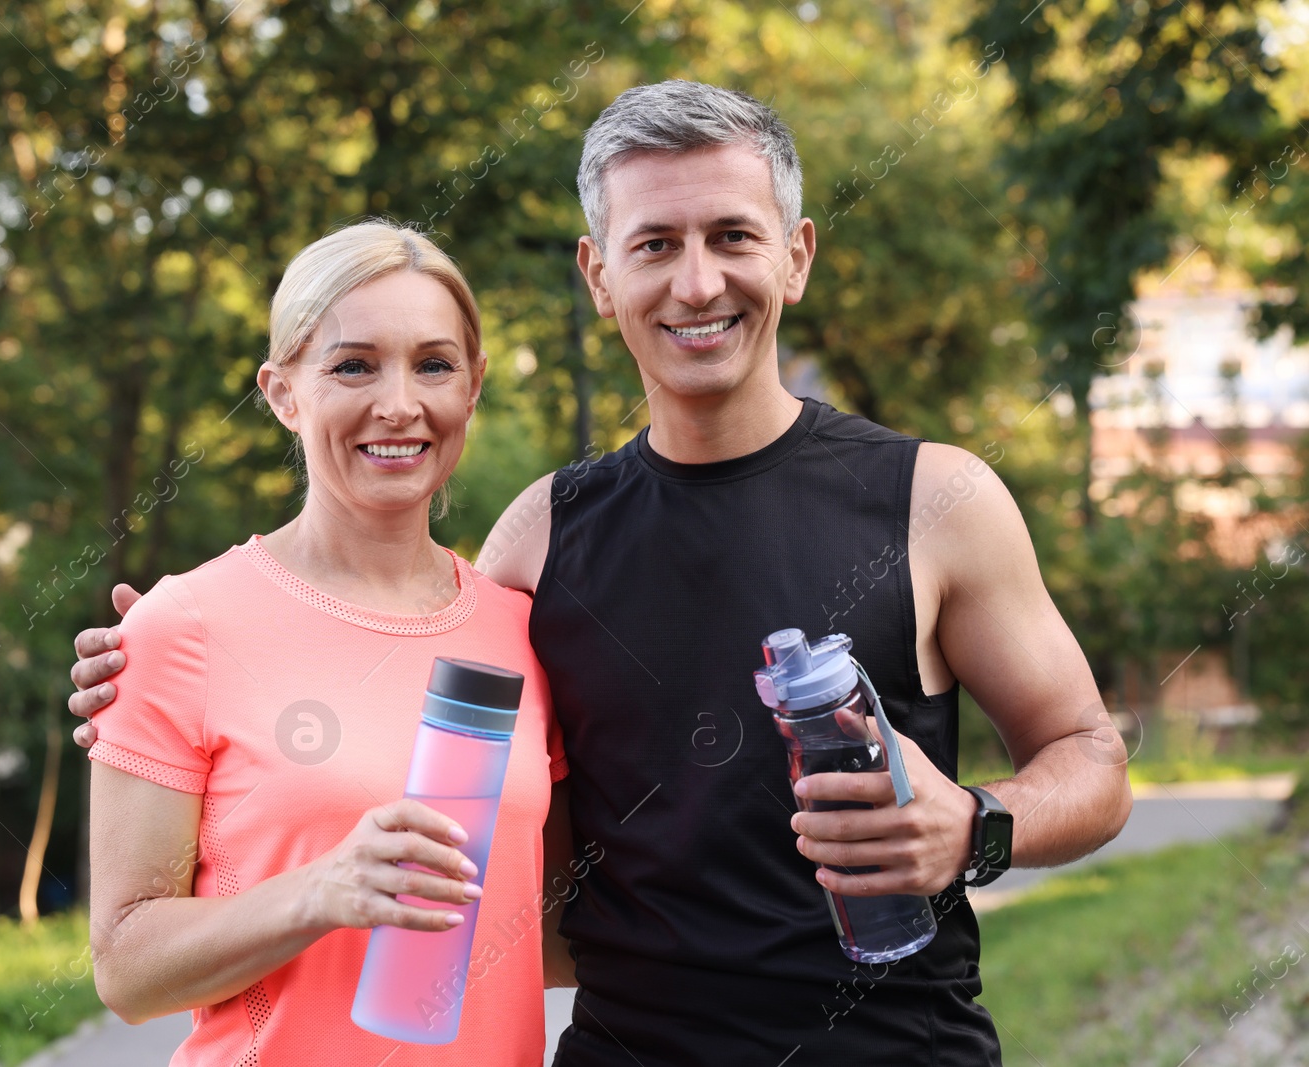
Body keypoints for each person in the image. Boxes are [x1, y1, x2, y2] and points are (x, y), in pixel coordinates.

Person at [73, 82, 1133, 1065]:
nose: (697, 281)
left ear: (796, 256)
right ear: (599, 275)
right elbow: (403, 683)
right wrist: (165, 664)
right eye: (655, 243)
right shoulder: (538, 538)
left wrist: (975, 827)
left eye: (731, 237)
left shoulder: (934, 500)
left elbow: (1090, 757)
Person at [78, 220, 566, 1066]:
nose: (400, 403)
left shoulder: (523, 631)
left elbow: (552, 935)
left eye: (435, 364)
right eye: (353, 365)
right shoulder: (184, 625)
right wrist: (319, 891)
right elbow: (126, 970)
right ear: (282, 391)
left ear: (474, 386)